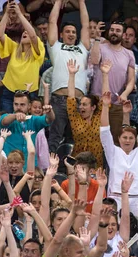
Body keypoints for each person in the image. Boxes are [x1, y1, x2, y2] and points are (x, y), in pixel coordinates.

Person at [46, 0, 91, 152]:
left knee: (78, 139)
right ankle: (49, 172)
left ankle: (75, 173)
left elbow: (85, 25)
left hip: (79, 101)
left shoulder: (83, 48)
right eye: (67, 31)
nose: (71, 34)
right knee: (55, 137)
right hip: (59, 100)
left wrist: (81, 2)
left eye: (73, 32)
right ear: (61, 34)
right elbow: (52, 21)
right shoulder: (55, 47)